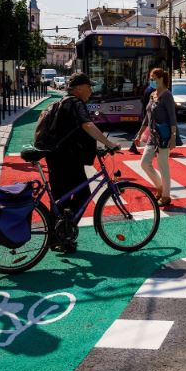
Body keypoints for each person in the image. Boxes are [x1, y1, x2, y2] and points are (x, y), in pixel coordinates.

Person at [45, 72, 120, 253]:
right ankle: (65, 233)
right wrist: (108, 143)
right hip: (67, 158)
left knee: (60, 198)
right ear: (78, 88)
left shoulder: (63, 102)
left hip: (56, 156)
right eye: (88, 87)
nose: (91, 91)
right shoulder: (76, 103)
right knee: (83, 194)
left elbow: (72, 132)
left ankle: (59, 237)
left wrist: (94, 148)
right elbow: (87, 126)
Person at [134, 68, 177, 207]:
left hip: (164, 136)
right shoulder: (152, 94)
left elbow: (172, 117)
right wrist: (139, 134)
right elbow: (147, 117)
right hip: (153, 135)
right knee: (144, 163)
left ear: (161, 78)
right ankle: (159, 187)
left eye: (153, 78)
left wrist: (173, 137)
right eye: (151, 78)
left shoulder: (167, 95)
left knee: (163, 166)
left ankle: (166, 196)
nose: (151, 80)